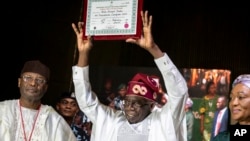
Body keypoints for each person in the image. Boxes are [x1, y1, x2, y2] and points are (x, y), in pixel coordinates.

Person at [71, 10, 188, 141]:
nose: (130, 107)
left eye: (137, 103)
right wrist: (83, 53)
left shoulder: (163, 121)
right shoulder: (112, 121)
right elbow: (86, 101)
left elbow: (179, 92)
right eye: (127, 102)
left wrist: (153, 48)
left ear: (150, 105)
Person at [0, 60, 76, 140]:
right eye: (28, 78)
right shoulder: (3, 110)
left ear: (46, 88)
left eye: (40, 80)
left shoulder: (54, 119)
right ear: (19, 82)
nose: (33, 83)